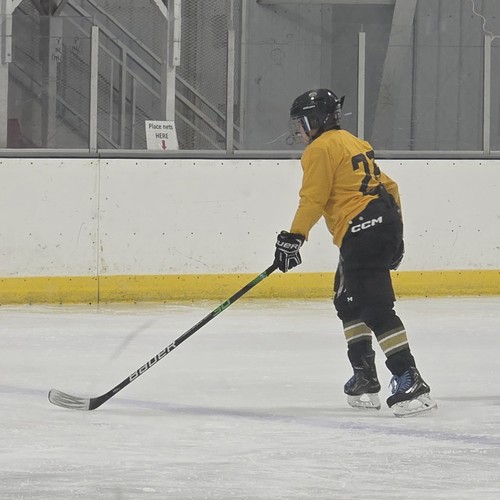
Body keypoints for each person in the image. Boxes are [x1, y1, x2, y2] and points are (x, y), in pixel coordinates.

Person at [273, 88, 437, 417]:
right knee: (347, 300)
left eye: (303, 123)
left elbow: (314, 198)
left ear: (316, 120)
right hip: (378, 222)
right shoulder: (353, 142)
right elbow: (390, 187)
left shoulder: (320, 149)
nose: (301, 130)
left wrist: (294, 237)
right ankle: (364, 376)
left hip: (362, 228)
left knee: (375, 306)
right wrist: (395, 233)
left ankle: (409, 378)